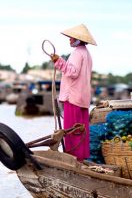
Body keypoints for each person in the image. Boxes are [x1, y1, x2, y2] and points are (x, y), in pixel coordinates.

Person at [50, 24, 97, 162]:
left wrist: (58, 62)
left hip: (73, 97)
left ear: (78, 39)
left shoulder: (77, 53)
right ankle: (80, 159)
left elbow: (73, 72)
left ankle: (72, 158)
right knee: (81, 130)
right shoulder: (87, 54)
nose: (69, 40)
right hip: (82, 98)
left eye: (71, 38)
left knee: (71, 130)